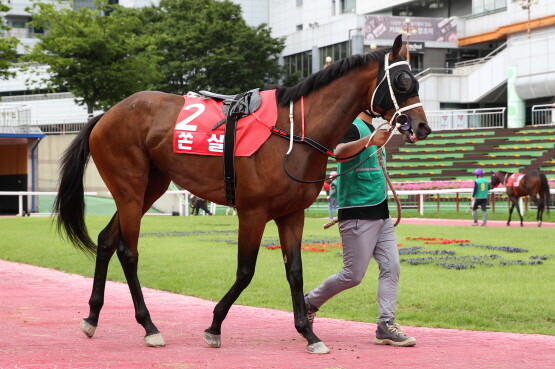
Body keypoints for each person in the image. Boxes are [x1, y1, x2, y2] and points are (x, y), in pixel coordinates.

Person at [304, 111, 416, 347]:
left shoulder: (374, 128)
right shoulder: (351, 126)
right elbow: (339, 153)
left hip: (380, 211)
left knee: (392, 266)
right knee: (352, 276)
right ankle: (308, 303)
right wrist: (370, 140)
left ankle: (385, 325)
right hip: (357, 211)